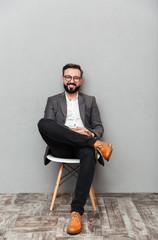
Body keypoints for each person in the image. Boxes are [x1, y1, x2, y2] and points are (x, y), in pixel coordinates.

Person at [38, 63, 112, 235]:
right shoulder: (53, 100)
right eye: (68, 77)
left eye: (76, 78)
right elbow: (50, 127)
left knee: (88, 152)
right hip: (61, 146)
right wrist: (72, 132)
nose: (72, 81)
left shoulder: (90, 100)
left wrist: (90, 133)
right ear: (63, 79)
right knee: (43, 123)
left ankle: (76, 212)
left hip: (83, 145)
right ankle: (96, 145)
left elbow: (99, 127)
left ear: (80, 80)